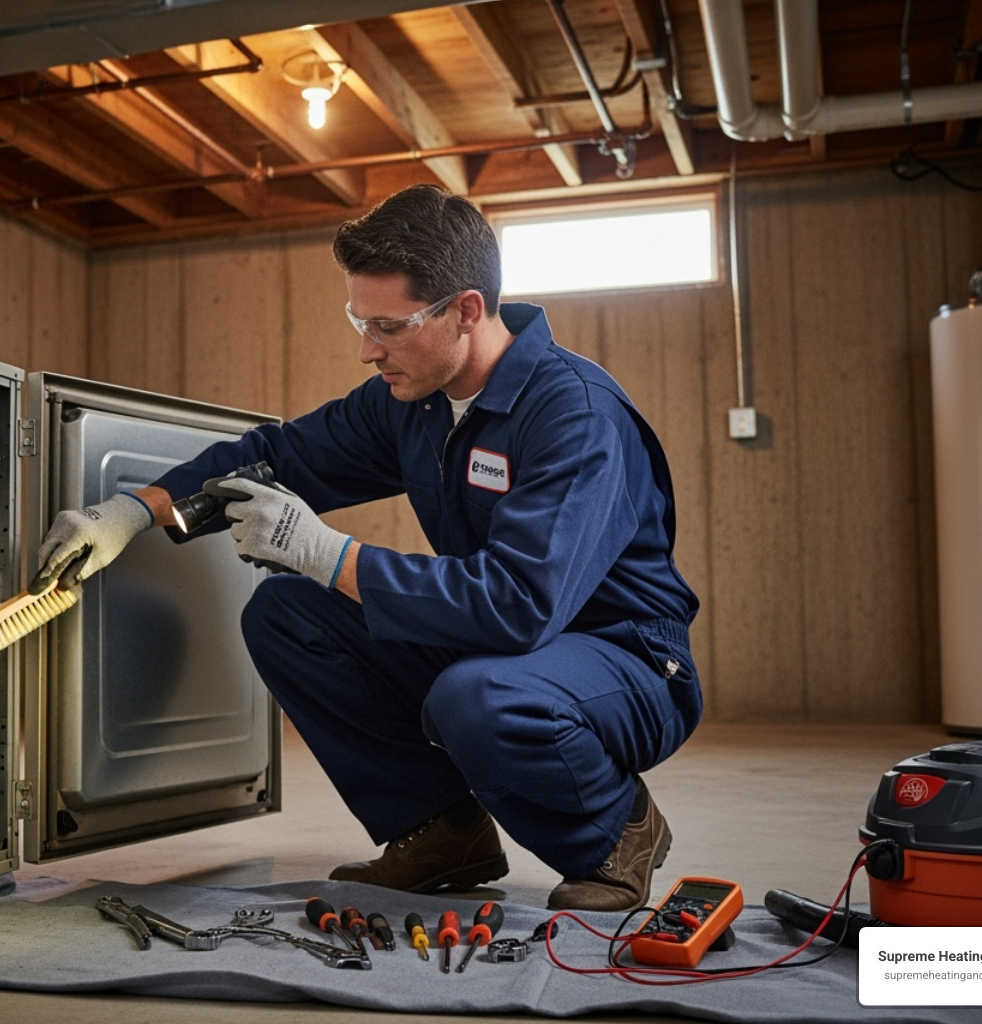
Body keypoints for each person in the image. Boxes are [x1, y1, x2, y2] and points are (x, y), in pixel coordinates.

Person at [36, 184, 701, 911]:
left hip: (626, 660)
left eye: (388, 325)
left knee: (475, 699)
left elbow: (519, 607)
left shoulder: (573, 414)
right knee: (287, 613)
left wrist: (329, 554)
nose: (365, 350)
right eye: (359, 320)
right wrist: (132, 510)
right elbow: (279, 456)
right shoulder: (412, 402)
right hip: (513, 645)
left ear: (467, 310)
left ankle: (616, 831)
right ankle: (441, 830)